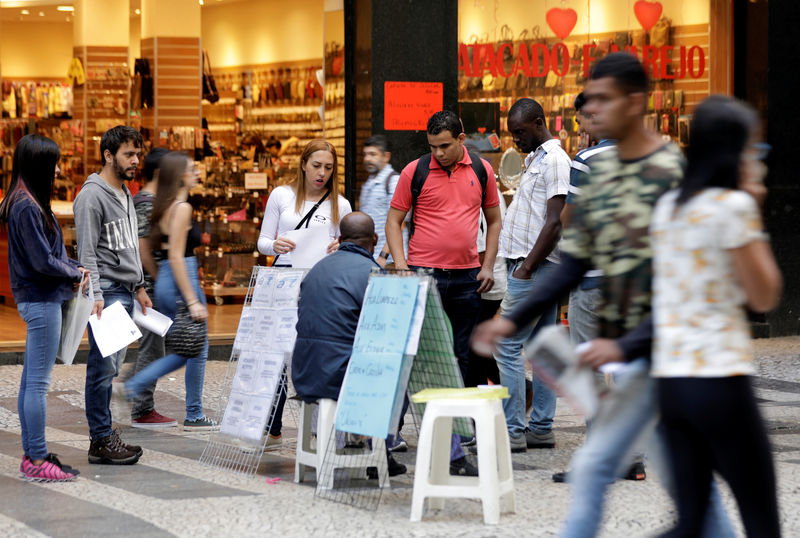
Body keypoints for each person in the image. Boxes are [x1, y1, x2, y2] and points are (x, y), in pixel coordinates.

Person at [471, 53, 733, 538]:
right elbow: (577, 254)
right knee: (611, 471)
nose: (588, 110)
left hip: (661, 344)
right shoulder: (594, 165)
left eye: (600, 99)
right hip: (623, 332)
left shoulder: (666, 168)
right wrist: (514, 316)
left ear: (635, 102)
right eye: (588, 100)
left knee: (691, 483)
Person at [647, 96, 781, 536]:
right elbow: (764, 295)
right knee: (761, 521)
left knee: (689, 525)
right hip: (721, 384)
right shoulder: (733, 208)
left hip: (672, 386)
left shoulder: (668, 208)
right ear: (734, 152)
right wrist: (753, 207)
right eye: (753, 150)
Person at [386, 110, 501, 386]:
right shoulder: (415, 171)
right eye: (432, 146)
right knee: (414, 351)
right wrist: (401, 266)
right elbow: (393, 221)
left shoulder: (481, 169)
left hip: (467, 278)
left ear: (461, 138)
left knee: (464, 355)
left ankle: (459, 427)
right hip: (423, 276)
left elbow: (495, 221)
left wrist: (487, 267)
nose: (438, 153)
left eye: (445, 146)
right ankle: (404, 424)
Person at [291, 211, 405, 476]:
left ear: (340, 239)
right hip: (337, 377)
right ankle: (379, 450)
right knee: (395, 370)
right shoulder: (372, 272)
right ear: (375, 239)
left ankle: (372, 448)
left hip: (305, 371)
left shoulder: (317, 268)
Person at [0, 134, 85, 481]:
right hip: (40, 300)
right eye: (53, 163)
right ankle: (35, 459)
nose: (58, 169)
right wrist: (74, 271)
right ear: (40, 164)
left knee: (30, 383)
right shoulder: (25, 206)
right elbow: (42, 260)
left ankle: (33, 453)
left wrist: (72, 266)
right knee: (37, 383)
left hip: (37, 298)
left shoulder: (24, 200)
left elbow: (48, 257)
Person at [257, 139, 352, 446]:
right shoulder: (282, 195)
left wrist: (341, 246)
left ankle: (317, 424)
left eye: (328, 167)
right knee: (278, 349)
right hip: (284, 278)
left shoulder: (340, 204)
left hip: (319, 282)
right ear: (303, 164)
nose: (321, 173)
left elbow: (348, 247)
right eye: (316, 166)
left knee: (313, 350)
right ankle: (272, 421)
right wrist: (275, 245)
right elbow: (262, 241)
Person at [115, 151, 217, 431]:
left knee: (187, 346)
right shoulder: (181, 208)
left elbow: (148, 246)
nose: (196, 173)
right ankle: (134, 386)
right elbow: (175, 255)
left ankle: (137, 386)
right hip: (181, 274)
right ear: (178, 175)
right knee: (191, 348)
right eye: (191, 169)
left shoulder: (164, 206)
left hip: (168, 279)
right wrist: (193, 299)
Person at [491, 98, 571, 453]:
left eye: (520, 132)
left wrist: (525, 268)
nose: (515, 140)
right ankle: (540, 427)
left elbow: (555, 222)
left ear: (539, 122)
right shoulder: (535, 157)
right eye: (512, 134)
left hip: (535, 266)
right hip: (532, 266)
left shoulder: (555, 160)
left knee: (505, 343)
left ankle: (512, 430)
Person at [74, 125, 151, 465]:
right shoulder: (92, 195)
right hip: (106, 292)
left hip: (124, 291)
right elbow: (86, 252)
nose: (136, 160)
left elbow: (128, 245)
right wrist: (95, 294)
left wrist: (139, 285)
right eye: (128, 155)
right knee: (102, 369)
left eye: (138, 154)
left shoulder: (125, 192)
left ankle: (104, 435)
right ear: (108, 155)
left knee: (112, 367)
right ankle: (100, 439)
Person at [121, 147, 176, 429]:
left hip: (152, 286)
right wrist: (156, 279)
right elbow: (142, 247)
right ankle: (141, 406)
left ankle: (132, 387)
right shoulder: (146, 201)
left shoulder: (152, 199)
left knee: (155, 346)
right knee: (152, 348)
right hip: (149, 288)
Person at [359, 134, 405, 266]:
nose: (367, 159)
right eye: (365, 154)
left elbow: (400, 224)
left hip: (389, 260)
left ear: (386, 157)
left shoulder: (394, 181)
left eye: (373, 154)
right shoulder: (369, 182)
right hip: (372, 258)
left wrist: (384, 255)